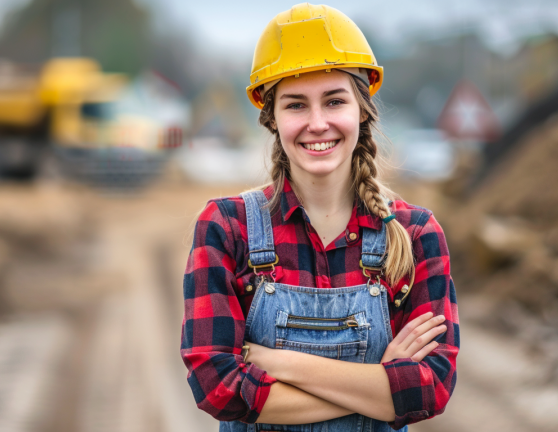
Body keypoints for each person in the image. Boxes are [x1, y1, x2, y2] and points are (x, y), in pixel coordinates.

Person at [180, 4, 459, 431]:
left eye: (334, 101)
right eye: (295, 105)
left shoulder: (415, 233)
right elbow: (216, 385)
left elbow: (429, 389)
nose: (317, 123)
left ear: (362, 109)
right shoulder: (226, 228)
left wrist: (278, 362)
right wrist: (376, 387)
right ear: (271, 118)